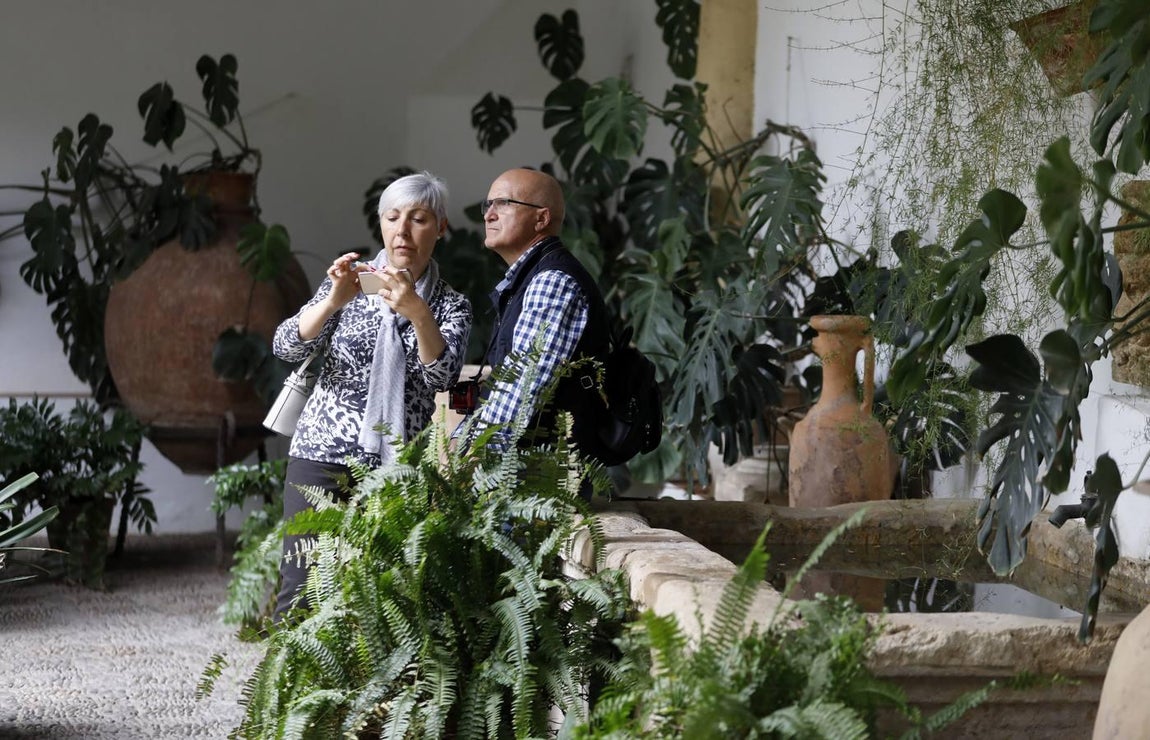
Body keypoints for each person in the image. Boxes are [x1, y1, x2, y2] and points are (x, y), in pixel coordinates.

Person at [270, 171, 472, 622]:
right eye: (393, 217)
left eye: (418, 218)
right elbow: (286, 346)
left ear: (439, 227)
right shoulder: (351, 283)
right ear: (380, 224)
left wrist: (419, 313)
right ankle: (293, 691)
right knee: (302, 586)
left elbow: (441, 378)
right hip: (321, 451)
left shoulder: (451, 305)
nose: (403, 231)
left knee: (387, 599)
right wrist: (331, 302)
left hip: (396, 462)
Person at [462, 167, 612, 493]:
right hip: (521, 473)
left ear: (541, 219)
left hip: (535, 481)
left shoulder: (552, 281)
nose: (489, 214)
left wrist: (465, 461)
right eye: (487, 205)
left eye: (503, 203)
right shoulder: (528, 279)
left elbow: (523, 389)